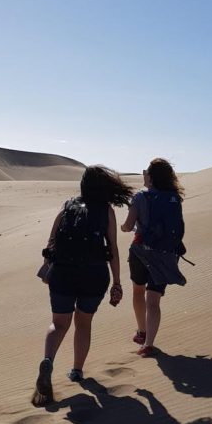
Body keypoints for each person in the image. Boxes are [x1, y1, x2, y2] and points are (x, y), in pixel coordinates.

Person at [32, 166, 132, 406]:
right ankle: (77, 370)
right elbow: (113, 249)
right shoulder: (106, 211)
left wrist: (48, 268)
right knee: (83, 322)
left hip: (63, 275)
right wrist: (117, 281)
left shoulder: (67, 206)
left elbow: (51, 242)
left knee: (58, 323)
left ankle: (48, 360)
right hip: (94, 275)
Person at [121, 158, 186, 357]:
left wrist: (123, 228)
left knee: (138, 292)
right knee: (154, 300)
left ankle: (142, 332)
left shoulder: (141, 197)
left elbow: (128, 225)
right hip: (166, 254)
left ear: (150, 175)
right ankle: (149, 343)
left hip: (141, 251)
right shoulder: (174, 197)